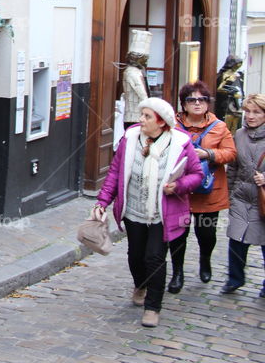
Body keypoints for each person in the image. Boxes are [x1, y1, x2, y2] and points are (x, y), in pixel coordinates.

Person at [94, 97, 203, 328]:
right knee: (135, 256)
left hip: (162, 214)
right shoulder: (130, 139)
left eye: (146, 116)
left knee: (154, 257)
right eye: (141, 115)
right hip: (134, 210)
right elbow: (115, 173)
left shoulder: (180, 144)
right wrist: (102, 202)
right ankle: (140, 284)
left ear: (161, 122)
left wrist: (178, 186)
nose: (141, 120)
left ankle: (153, 307)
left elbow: (196, 175)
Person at [167, 81, 236, 293]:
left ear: (207, 103)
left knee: (206, 234)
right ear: (184, 104)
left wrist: (209, 154)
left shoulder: (219, 127)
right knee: (178, 234)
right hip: (180, 192)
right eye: (192, 100)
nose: (197, 103)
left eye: (202, 99)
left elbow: (231, 153)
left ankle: (205, 259)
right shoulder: (172, 127)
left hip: (208, 193)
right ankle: (177, 272)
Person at [221, 93, 265, 295]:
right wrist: (229, 194)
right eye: (247, 111)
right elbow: (233, 168)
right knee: (236, 239)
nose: (250, 116)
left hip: (263, 198)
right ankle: (235, 279)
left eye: (256, 112)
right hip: (241, 195)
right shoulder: (238, 134)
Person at [216, 55, 244, 133]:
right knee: (227, 127)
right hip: (228, 105)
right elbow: (219, 88)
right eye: (237, 64)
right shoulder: (225, 75)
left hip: (237, 104)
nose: (238, 66)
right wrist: (230, 92)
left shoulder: (239, 75)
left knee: (235, 127)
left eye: (240, 64)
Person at [123, 51, 149, 129]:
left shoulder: (135, 71)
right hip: (134, 116)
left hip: (136, 115)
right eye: (143, 59)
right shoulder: (132, 72)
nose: (145, 62)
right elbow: (141, 92)